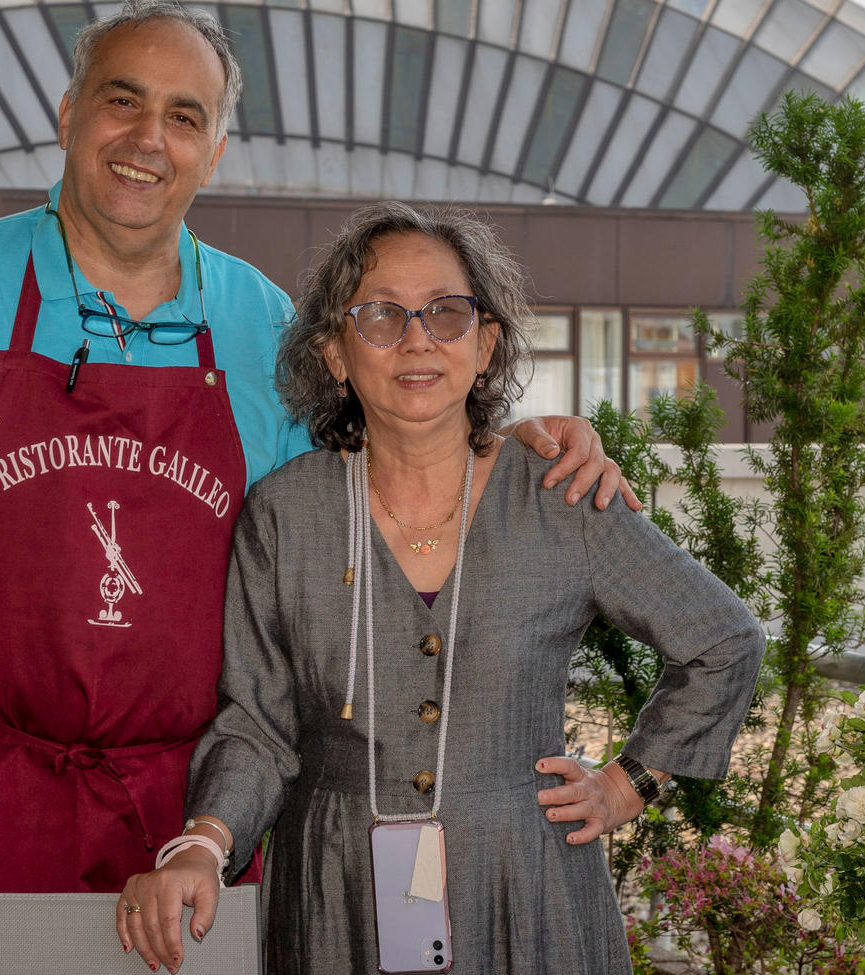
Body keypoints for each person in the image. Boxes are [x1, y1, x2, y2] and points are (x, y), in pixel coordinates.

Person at [0, 2, 636, 970]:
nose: (148, 138)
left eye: (184, 117)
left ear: (213, 152)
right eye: (121, 101)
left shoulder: (262, 322)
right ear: (68, 115)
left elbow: (379, 495)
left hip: (193, 822)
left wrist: (503, 450)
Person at [117, 201, 767, 974]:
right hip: (337, 897)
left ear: (485, 343)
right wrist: (202, 842)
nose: (417, 338)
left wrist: (627, 785)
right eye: (382, 314)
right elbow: (257, 725)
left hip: (526, 887)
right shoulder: (285, 514)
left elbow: (725, 639)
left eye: (446, 312)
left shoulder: (561, 495)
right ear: (334, 353)